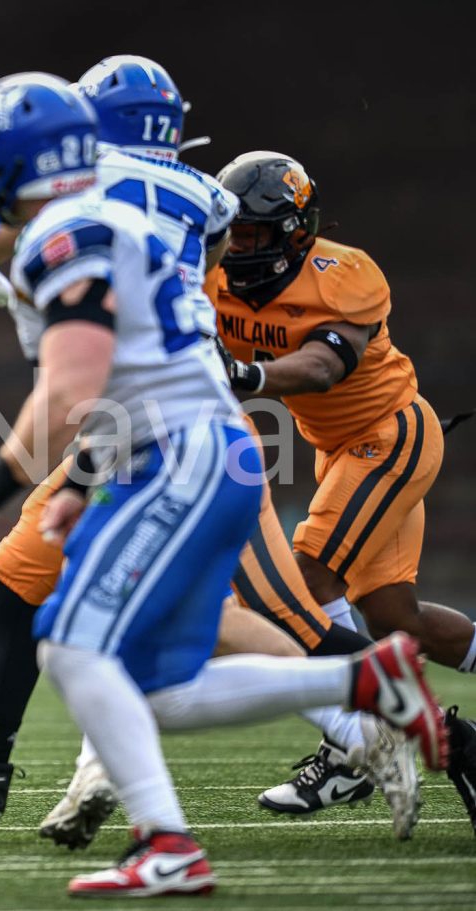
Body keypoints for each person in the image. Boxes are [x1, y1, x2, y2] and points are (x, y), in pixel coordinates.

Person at [0, 72, 446, 898]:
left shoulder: (72, 227)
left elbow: (71, 388)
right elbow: (127, 373)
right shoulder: (147, 214)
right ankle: (185, 828)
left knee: (79, 645)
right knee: (151, 681)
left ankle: (351, 695)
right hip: (167, 446)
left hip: (181, 454)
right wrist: (78, 482)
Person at [211, 150, 476, 831]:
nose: (238, 247)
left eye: (252, 234)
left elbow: (323, 366)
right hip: (339, 450)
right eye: (232, 233)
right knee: (394, 619)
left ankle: (357, 745)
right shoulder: (212, 277)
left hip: (390, 437)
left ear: (293, 231)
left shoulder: (344, 274)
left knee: (300, 587)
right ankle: (361, 735)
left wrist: (246, 377)